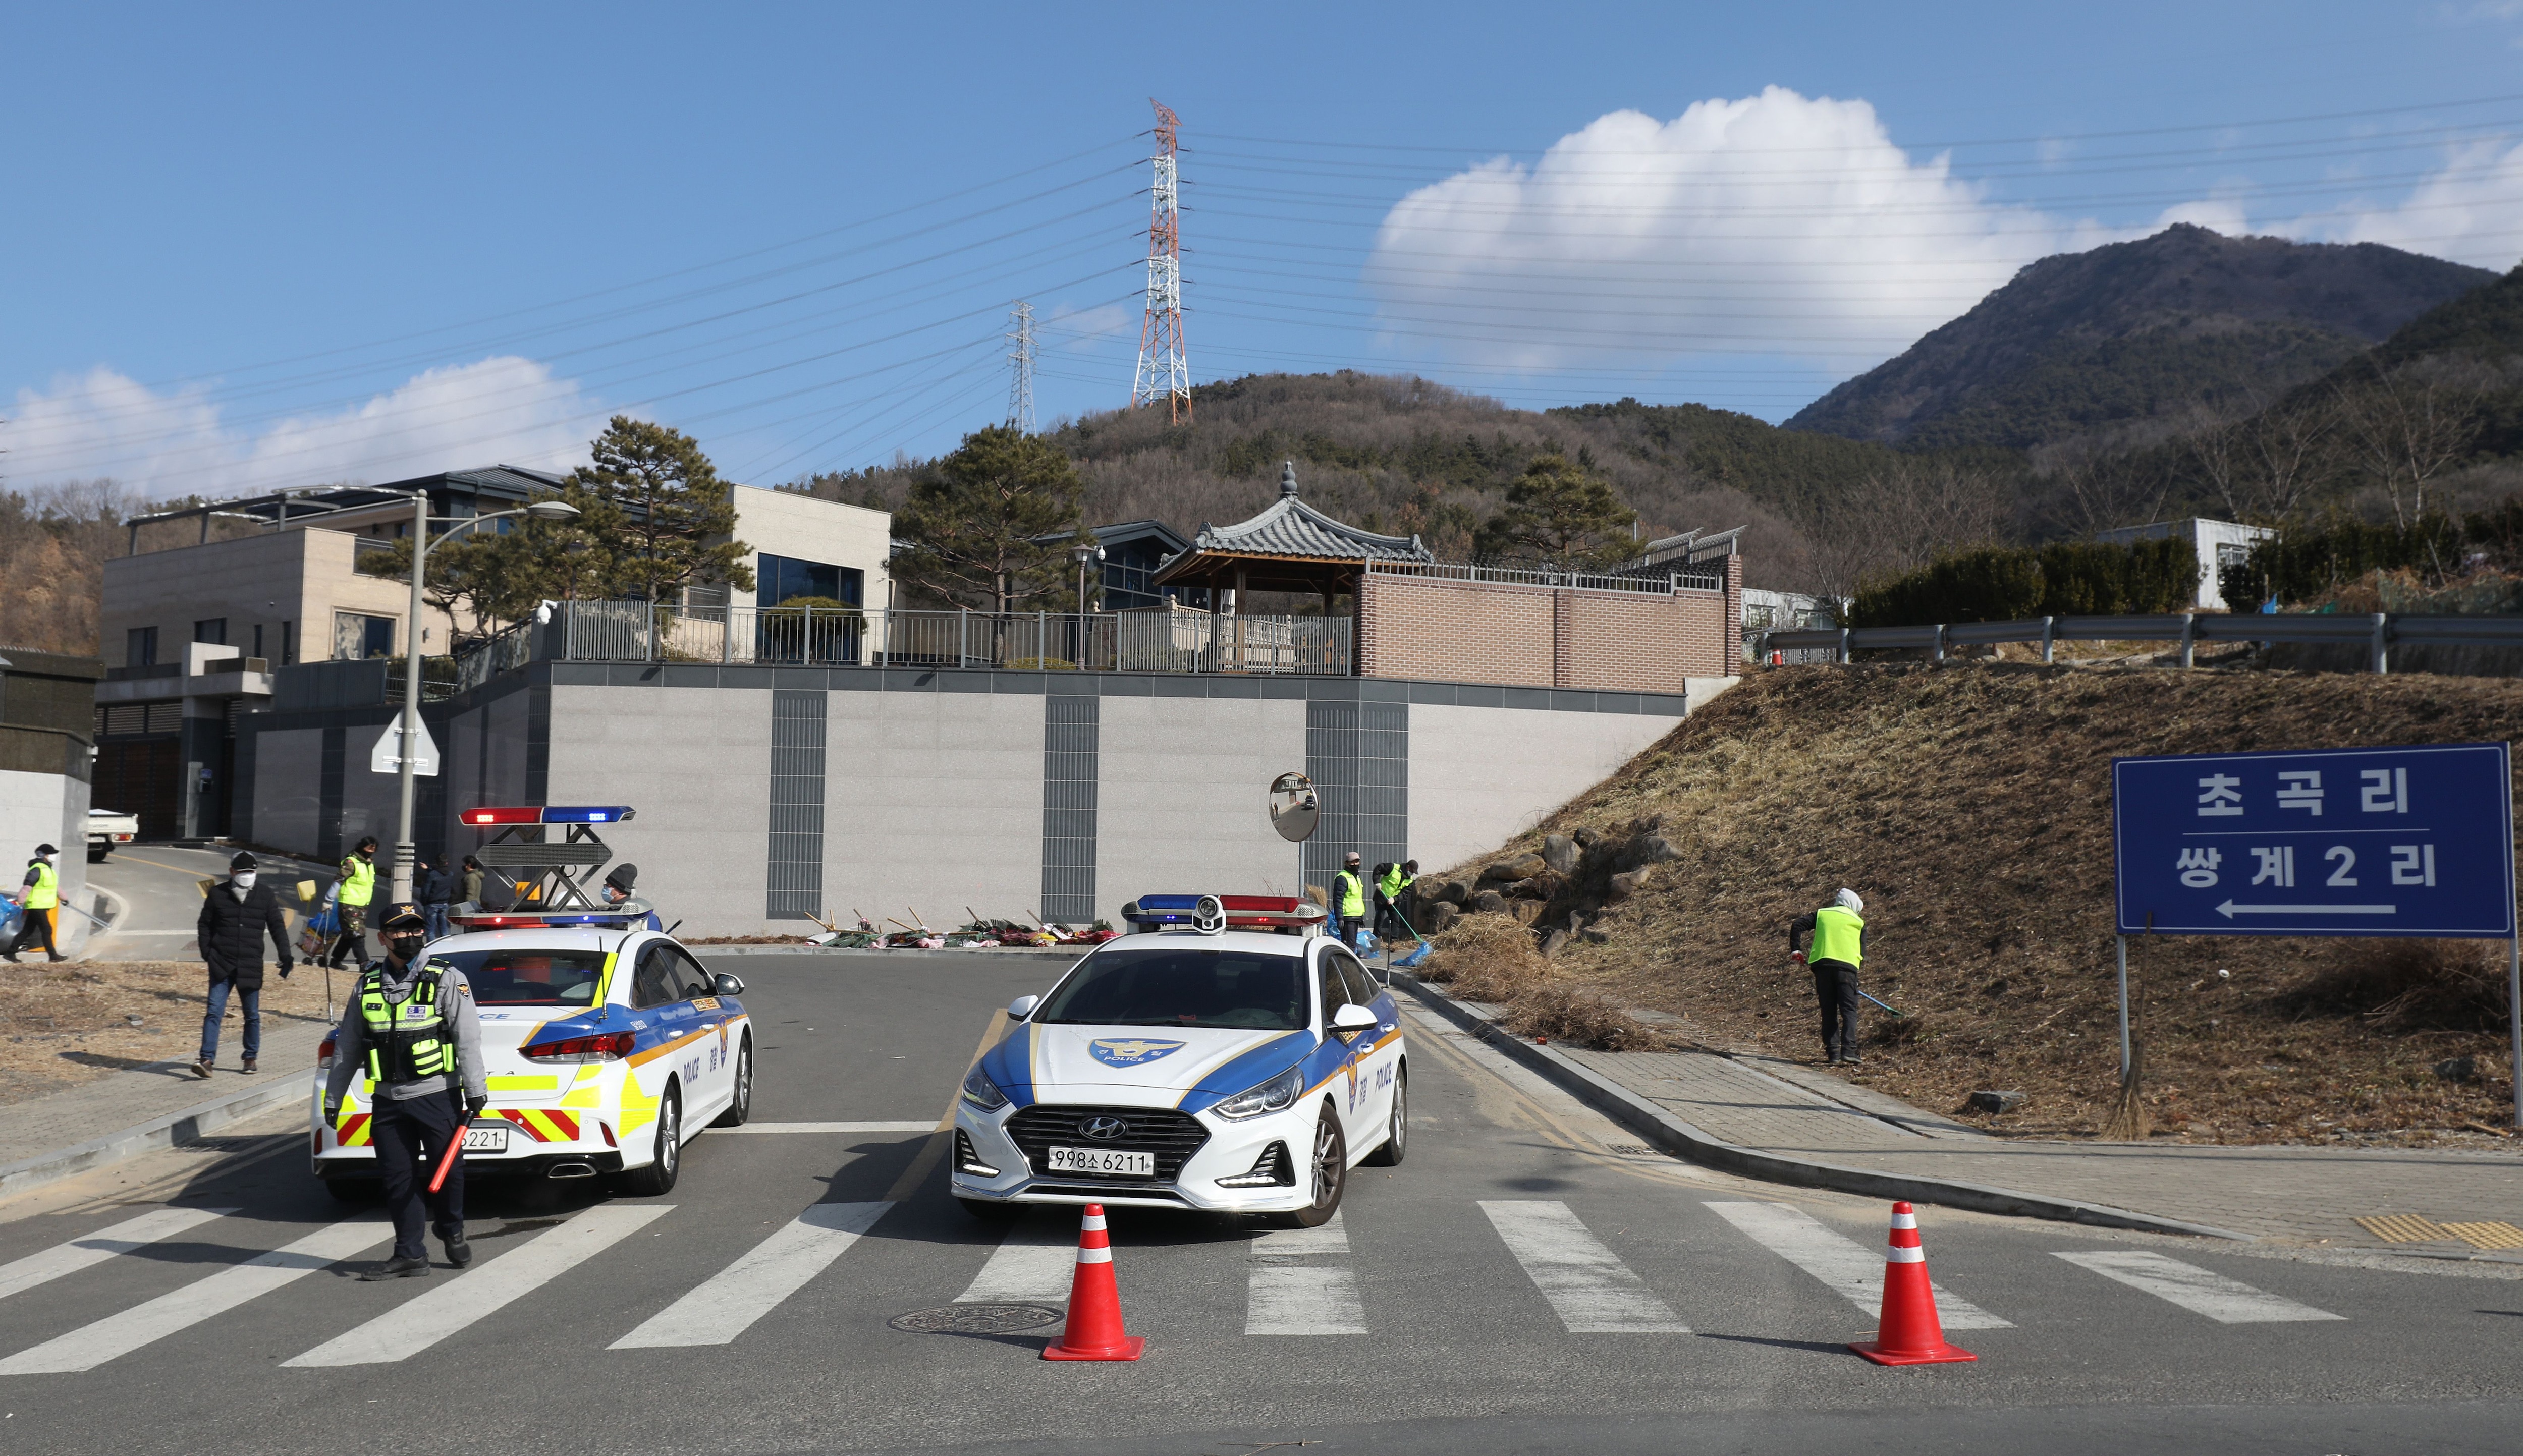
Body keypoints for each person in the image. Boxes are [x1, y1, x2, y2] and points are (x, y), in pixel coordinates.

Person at [323, 903, 485, 1279]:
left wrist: (476, 1089)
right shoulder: (367, 984)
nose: (409, 937)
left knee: (449, 1174)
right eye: (399, 931)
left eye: (415, 929)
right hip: (388, 1101)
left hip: (437, 1097)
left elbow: (467, 1037)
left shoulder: (446, 978)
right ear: (383, 938)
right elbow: (348, 1045)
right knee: (398, 1178)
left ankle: (450, 1227)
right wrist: (334, 1098)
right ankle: (410, 1253)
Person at [193, 852, 293, 1077]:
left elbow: (277, 926)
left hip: (250, 963)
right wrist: (207, 953)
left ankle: (250, 1057)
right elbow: (204, 925)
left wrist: (285, 955)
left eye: (251, 872)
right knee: (214, 1011)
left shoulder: (265, 895)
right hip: (221, 963)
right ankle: (206, 1060)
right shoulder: (218, 894)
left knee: (252, 1014)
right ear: (232, 872)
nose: (247, 875)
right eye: (242, 872)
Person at [1789, 887, 1869, 1066]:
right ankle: (1849, 1051)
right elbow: (1862, 952)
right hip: (1847, 970)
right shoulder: (1859, 922)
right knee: (1849, 1011)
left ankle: (1833, 1054)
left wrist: (1796, 949)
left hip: (1822, 967)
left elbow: (1798, 925)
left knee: (1829, 1011)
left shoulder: (1822, 914)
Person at [4, 844, 66, 963]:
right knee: (47, 929)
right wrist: (21, 900)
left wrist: (64, 898)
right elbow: (28, 886)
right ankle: (53, 956)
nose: (54, 856)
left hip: (42, 905)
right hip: (36, 905)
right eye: (51, 854)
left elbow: (55, 887)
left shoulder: (49, 870)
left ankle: (10, 954)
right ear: (44, 855)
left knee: (27, 931)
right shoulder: (37, 869)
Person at [327, 836, 379, 969]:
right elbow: (339, 880)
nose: (371, 851)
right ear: (362, 847)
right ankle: (364, 963)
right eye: (369, 848)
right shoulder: (351, 862)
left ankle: (335, 961)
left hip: (362, 904)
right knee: (357, 934)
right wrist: (329, 900)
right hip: (349, 904)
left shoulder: (369, 864)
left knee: (349, 934)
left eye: (374, 849)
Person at [601, 863, 662, 930]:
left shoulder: (619, 917)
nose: (605, 888)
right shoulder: (653, 918)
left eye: (609, 886)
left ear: (621, 891)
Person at [1374, 858, 1418, 940]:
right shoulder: (1393, 868)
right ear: (1408, 867)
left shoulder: (1410, 880)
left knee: (1395, 920)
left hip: (1394, 901)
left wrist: (1395, 899)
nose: (1412, 874)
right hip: (1381, 896)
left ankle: (1394, 939)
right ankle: (1376, 938)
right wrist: (1377, 882)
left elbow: (1405, 893)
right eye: (1412, 871)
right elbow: (1378, 869)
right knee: (1379, 918)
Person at [1332, 851, 1367, 948]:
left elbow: (1357, 899)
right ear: (1346, 863)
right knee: (1349, 945)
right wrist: (1340, 918)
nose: (1355, 864)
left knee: (1352, 945)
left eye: (1357, 862)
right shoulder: (1342, 878)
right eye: (1352, 862)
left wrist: (1361, 917)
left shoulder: (1356, 877)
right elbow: (1338, 899)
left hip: (1356, 916)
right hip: (1347, 917)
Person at [416, 856, 453, 942]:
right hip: (444, 903)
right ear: (446, 863)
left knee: (431, 929)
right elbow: (439, 874)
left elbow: (426, 891)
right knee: (444, 928)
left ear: (436, 863)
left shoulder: (432, 875)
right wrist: (428, 869)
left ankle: (431, 947)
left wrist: (424, 902)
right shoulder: (450, 874)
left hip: (432, 904)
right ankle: (446, 946)